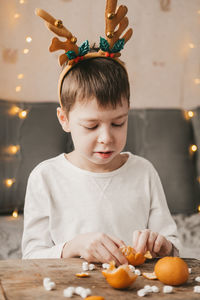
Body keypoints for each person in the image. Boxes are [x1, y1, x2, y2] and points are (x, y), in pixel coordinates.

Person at [22, 3, 180, 264]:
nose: (107, 137)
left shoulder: (144, 173)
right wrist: (73, 246)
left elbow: (173, 247)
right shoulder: (45, 178)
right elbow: (30, 258)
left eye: (118, 123)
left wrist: (163, 245)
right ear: (65, 119)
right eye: (91, 126)